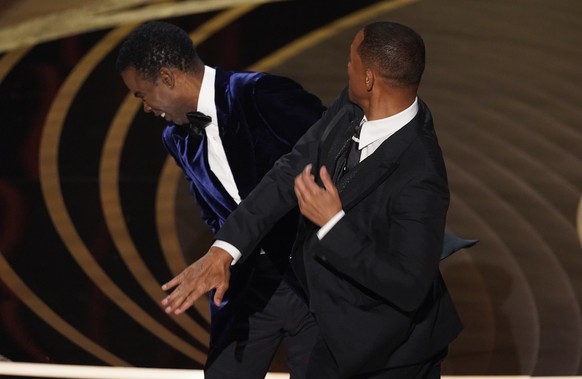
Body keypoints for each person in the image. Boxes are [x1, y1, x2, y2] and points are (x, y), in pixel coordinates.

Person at [161, 21, 465, 378]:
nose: (346, 67)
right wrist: (224, 250)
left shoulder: (422, 171)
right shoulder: (352, 106)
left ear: (369, 78)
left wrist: (333, 224)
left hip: (391, 354)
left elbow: (407, 284)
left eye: (351, 61)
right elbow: (289, 170)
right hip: (331, 334)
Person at [116, 21, 326, 379]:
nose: (146, 108)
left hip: (312, 280)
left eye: (141, 94)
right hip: (246, 286)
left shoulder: (261, 94)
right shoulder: (176, 138)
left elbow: (337, 157)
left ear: (167, 78)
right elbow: (213, 213)